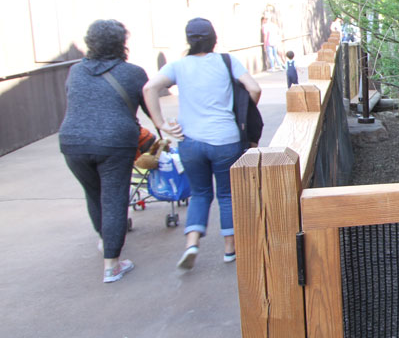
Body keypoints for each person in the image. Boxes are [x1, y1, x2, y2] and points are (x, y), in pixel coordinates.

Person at [143, 18, 261, 271]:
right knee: (227, 194)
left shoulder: (178, 66)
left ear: (188, 39)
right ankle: (230, 249)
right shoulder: (226, 61)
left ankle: (192, 244)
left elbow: (150, 87)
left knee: (199, 193)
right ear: (213, 38)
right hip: (226, 139)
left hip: (190, 141)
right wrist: (242, 114)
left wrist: (161, 123)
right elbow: (254, 88)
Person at [59, 19, 148, 283]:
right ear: (122, 43)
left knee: (94, 194)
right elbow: (148, 104)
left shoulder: (76, 71)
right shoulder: (133, 72)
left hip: (73, 142)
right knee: (113, 198)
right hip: (114, 142)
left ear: (90, 43)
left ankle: (105, 240)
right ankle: (112, 264)